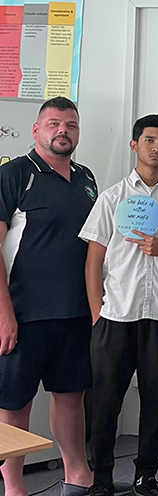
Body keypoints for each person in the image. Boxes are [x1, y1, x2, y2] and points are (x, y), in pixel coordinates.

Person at [80, 115, 158, 496]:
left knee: (156, 398)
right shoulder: (112, 198)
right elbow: (93, 260)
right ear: (135, 145)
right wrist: (98, 315)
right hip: (116, 316)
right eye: (149, 140)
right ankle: (102, 478)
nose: (156, 148)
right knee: (105, 400)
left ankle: (147, 475)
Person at [0, 97, 97, 496]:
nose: (63, 131)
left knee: (70, 396)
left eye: (71, 125)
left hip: (74, 313)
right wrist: (4, 314)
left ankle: (78, 477)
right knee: (14, 405)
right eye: (54, 123)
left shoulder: (87, 178)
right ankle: (14, 486)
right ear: (37, 130)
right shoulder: (14, 174)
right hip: (24, 314)